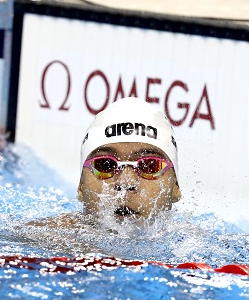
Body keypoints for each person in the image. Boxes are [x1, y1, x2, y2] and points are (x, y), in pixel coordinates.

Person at [32, 97, 182, 230]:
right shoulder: (43, 238)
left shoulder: (194, 250)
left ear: (176, 187)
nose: (125, 183)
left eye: (149, 166)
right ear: (80, 187)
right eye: (105, 165)